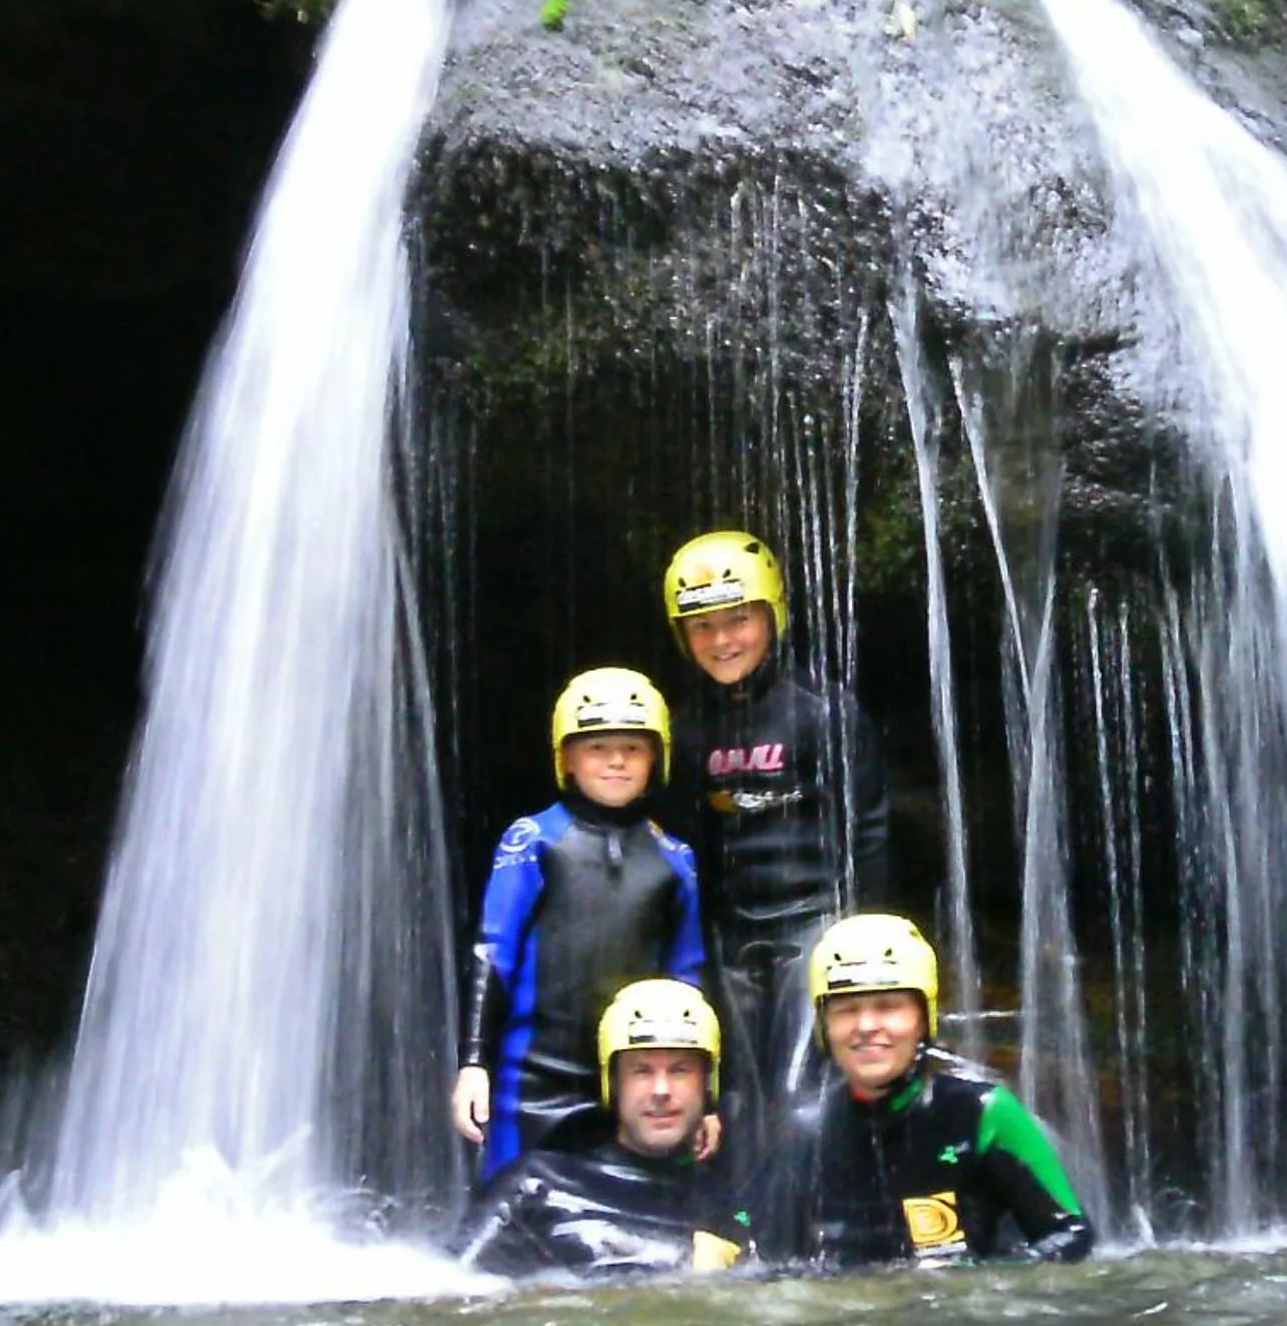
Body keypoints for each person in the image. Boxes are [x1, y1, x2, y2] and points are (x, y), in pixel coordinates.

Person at [663, 530, 891, 1123]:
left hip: (812, 922)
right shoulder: (684, 730)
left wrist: (865, 941)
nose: (722, 640)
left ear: (773, 614)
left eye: (738, 620)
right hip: (730, 933)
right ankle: (739, 1213)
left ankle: (813, 1211)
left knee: (800, 1092)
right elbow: (683, 844)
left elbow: (867, 830)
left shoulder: (824, 712)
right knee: (733, 1093)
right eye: (703, 627)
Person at [453, 668, 704, 1176]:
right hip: (532, 1081)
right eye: (597, 747)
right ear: (566, 757)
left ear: (657, 756)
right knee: (508, 1222)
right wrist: (474, 1063)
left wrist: (708, 1095)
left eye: (633, 748)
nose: (616, 761)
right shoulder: (532, 842)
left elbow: (689, 979)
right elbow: (492, 953)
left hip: (635, 1083)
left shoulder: (675, 858)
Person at [788, 912, 1093, 1267]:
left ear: (922, 1019)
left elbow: (1071, 1233)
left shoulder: (984, 1112)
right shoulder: (807, 1130)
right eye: (847, 1010)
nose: (867, 1026)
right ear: (825, 1027)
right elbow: (756, 1240)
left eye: (888, 1006)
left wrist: (989, 1282)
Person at [454, 979, 754, 1276]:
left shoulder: (732, 1206)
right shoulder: (533, 1188)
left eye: (679, 1070)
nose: (661, 1090)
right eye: (642, 1071)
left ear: (707, 1084)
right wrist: (677, 1260)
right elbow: (450, 1295)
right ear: (613, 1083)